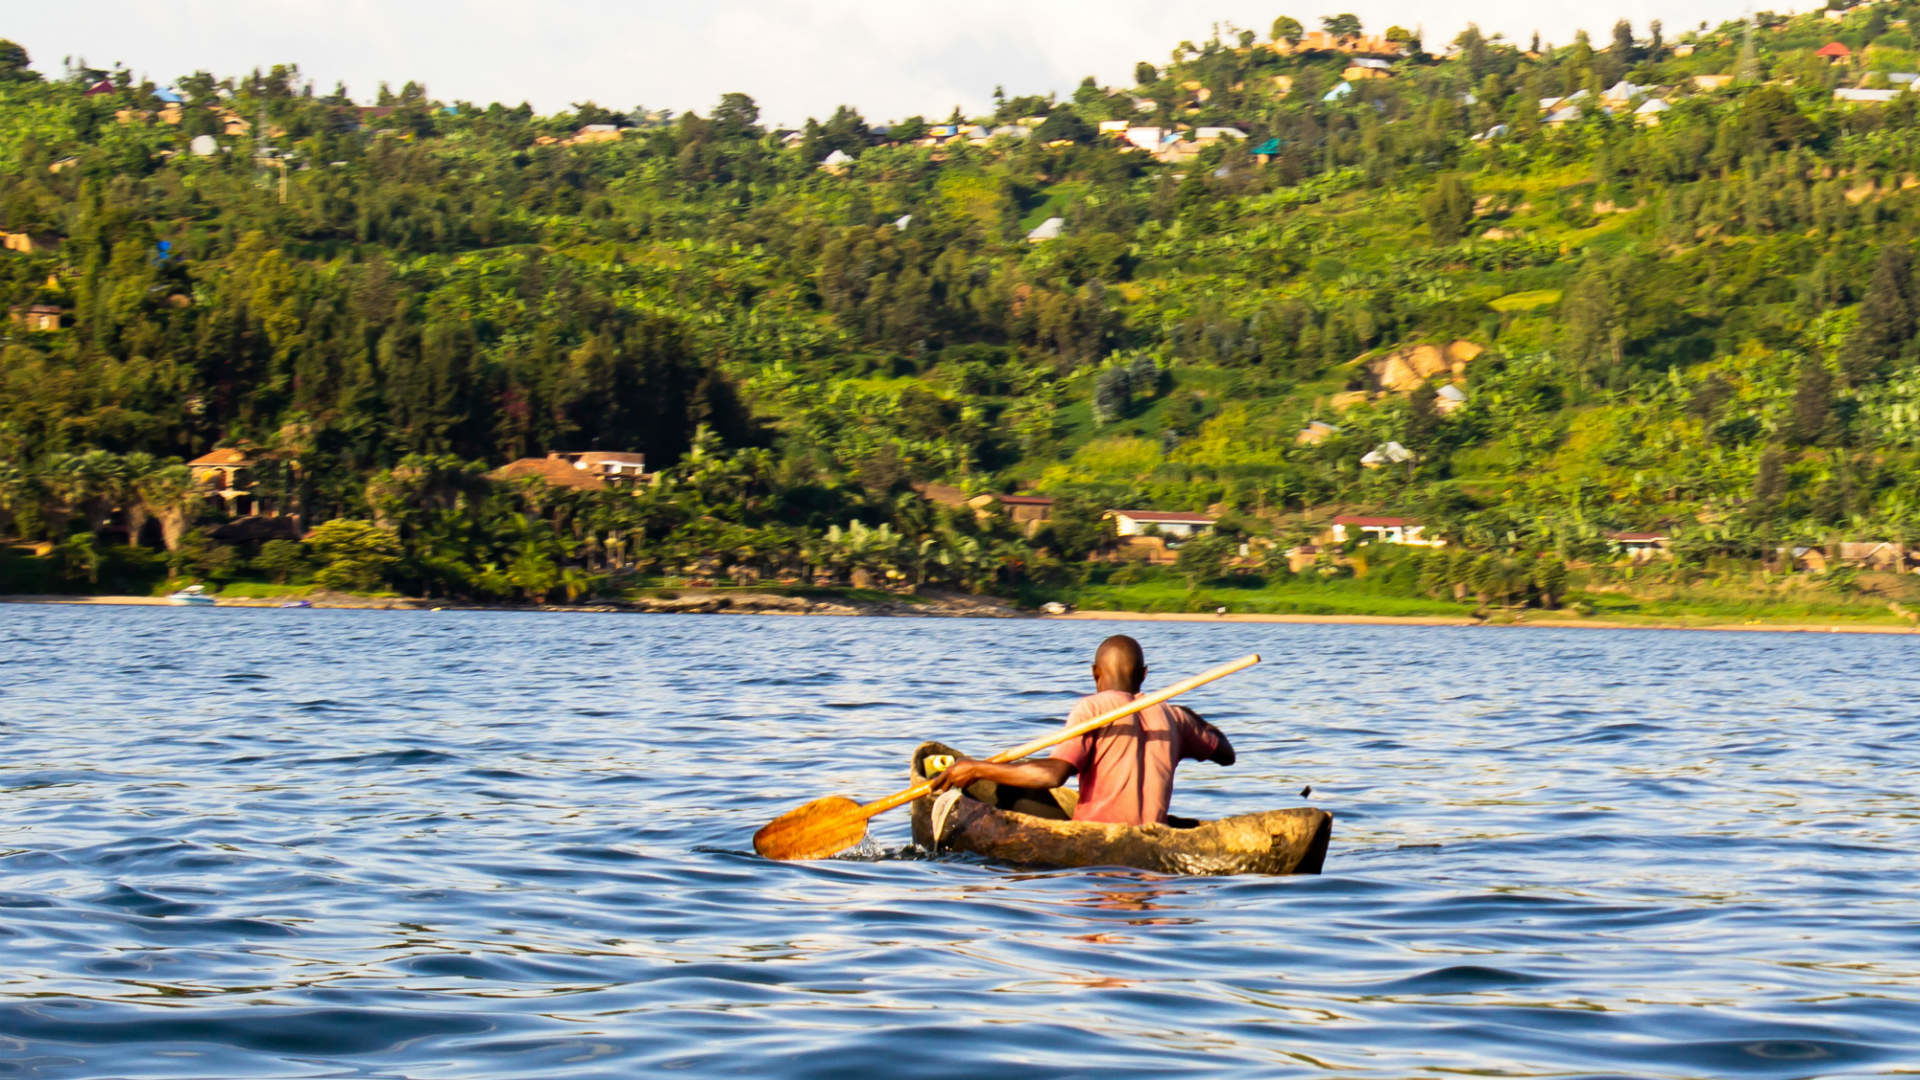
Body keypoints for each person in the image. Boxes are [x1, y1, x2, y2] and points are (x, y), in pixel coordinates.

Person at [929, 634, 1235, 826]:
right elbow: (1226, 754)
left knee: (1006, 788)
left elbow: (1053, 776)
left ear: (1095, 673)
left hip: (1097, 846)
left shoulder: (1092, 708)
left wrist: (976, 769)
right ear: (1144, 675)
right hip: (1153, 834)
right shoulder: (1175, 717)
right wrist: (1189, 717)